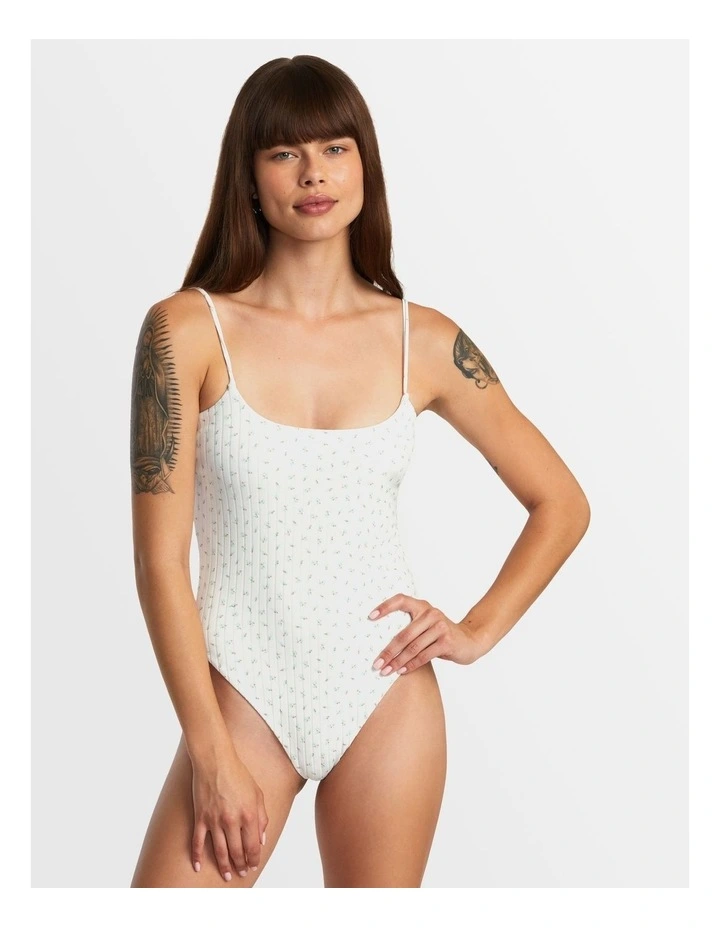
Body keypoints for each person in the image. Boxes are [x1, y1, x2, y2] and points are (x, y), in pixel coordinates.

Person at [129, 55, 591, 889]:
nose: (314, 174)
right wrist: (210, 751)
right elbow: (161, 562)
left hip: (386, 694)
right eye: (284, 153)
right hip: (241, 694)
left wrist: (476, 629)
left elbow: (561, 502)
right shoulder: (185, 332)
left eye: (335, 149)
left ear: (364, 166)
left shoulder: (426, 341)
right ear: (249, 177)